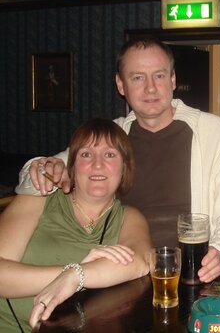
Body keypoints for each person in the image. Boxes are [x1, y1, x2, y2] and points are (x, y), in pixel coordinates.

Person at [15, 37, 220, 283]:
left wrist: (219, 251)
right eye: (138, 77)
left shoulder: (210, 131)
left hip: (195, 274)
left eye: (159, 76)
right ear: (121, 85)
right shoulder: (111, 139)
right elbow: (33, 176)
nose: (150, 88)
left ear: (173, 80)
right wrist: (43, 167)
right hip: (121, 274)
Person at [0, 118, 151, 332]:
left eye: (109, 154)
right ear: (71, 165)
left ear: (124, 167)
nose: (98, 164)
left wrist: (75, 276)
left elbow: (141, 262)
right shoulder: (39, 197)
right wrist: (70, 275)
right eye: (86, 154)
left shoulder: (129, 217)